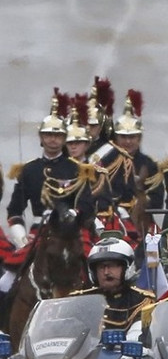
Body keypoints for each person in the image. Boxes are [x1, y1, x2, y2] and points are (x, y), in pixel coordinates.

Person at [6, 91, 100, 249]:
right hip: (37, 234)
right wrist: (21, 239)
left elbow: (87, 206)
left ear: (64, 139)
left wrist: (71, 216)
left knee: (91, 266)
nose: (52, 139)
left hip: (70, 232)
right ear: (41, 138)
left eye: (57, 135)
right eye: (48, 134)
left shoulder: (77, 169)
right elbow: (15, 211)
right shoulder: (29, 170)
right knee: (11, 271)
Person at [72, 237, 154, 341]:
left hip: (124, 355)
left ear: (127, 268)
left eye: (111, 266)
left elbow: (138, 335)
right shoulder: (81, 299)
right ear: (93, 272)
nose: (106, 272)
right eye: (101, 267)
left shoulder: (141, 300)